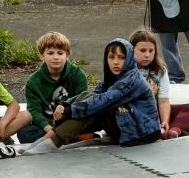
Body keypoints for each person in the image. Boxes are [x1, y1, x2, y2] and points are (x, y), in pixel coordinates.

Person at [25, 38, 161, 152]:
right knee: (89, 98)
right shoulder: (114, 78)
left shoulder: (132, 79)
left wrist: (70, 110)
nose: (115, 62)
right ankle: (48, 140)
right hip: (125, 124)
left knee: (93, 109)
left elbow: (105, 100)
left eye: (121, 58)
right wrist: (65, 104)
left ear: (130, 59)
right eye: (111, 57)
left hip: (140, 133)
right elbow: (92, 94)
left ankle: (52, 142)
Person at [129, 29, 189, 139]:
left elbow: (163, 100)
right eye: (142, 50)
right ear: (131, 50)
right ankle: (154, 130)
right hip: (134, 112)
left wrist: (165, 121)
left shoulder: (160, 70)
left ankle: (174, 129)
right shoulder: (127, 70)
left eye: (151, 51)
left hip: (156, 110)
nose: (147, 55)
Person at [21, 32, 89, 144]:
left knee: (88, 124)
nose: (55, 57)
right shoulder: (33, 81)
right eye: (50, 53)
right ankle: (62, 137)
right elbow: (34, 110)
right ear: (42, 55)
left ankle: (62, 137)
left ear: (67, 54)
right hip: (47, 122)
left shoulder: (78, 75)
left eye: (60, 53)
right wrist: (48, 129)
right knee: (24, 133)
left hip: (71, 120)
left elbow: (82, 100)